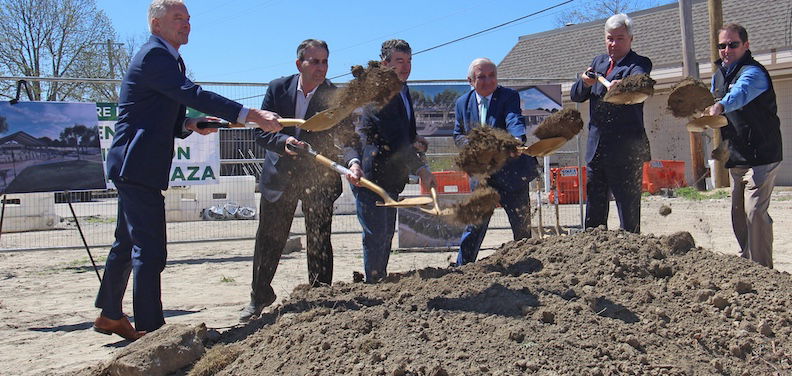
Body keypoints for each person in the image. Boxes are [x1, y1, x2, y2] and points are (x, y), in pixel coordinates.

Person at [94, 0, 282, 341]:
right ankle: (152, 332)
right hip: (137, 166)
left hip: (135, 165)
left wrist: (190, 123)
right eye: (177, 18)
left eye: (189, 19)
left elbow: (154, 112)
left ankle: (110, 314)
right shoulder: (155, 56)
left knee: (127, 242)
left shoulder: (168, 58)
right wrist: (251, 115)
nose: (186, 24)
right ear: (155, 25)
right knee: (150, 250)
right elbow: (191, 92)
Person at [239, 39, 341, 321]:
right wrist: (283, 142)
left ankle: (320, 295)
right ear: (299, 64)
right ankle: (259, 297)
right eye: (314, 61)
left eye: (325, 61)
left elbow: (346, 136)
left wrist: (352, 163)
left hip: (318, 177)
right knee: (269, 238)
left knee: (319, 237)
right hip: (280, 176)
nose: (321, 68)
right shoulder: (277, 88)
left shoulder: (335, 95)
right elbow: (261, 132)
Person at [344, 39, 436, 283]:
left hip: (392, 176)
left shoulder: (402, 89)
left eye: (408, 61)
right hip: (371, 175)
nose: (405, 67)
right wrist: (421, 168)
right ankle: (374, 284)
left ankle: (379, 280)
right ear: (385, 64)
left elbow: (401, 132)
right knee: (376, 234)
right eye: (399, 62)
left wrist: (414, 138)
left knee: (385, 235)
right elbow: (394, 139)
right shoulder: (381, 93)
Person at [708, 24, 782, 268]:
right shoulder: (718, 75)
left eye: (732, 44)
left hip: (763, 154)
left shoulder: (753, 73)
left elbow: (739, 94)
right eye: (722, 45)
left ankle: (763, 271)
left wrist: (720, 106)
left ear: (746, 45)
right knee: (738, 214)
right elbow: (711, 102)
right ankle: (746, 266)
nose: (726, 50)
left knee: (754, 212)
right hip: (737, 153)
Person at [570, 13, 652, 233]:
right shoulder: (598, 62)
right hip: (597, 150)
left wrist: (623, 85)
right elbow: (576, 95)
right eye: (610, 38)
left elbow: (641, 82)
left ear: (631, 39)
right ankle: (593, 256)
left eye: (620, 38)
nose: (613, 44)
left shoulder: (639, 63)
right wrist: (585, 82)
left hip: (626, 151)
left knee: (628, 212)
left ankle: (633, 255)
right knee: (594, 214)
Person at [452, 58, 538, 265]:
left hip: (512, 174)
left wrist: (517, 140)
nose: (488, 81)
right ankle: (462, 268)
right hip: (483, 178)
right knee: (474, 227)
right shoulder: (462, 103)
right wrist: (473, 149)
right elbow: (458, 134)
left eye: (492, 76)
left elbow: (513, 119)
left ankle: (527, 266)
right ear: (470, 80)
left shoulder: (508, 96)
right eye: (482, 77)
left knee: (521, 227)